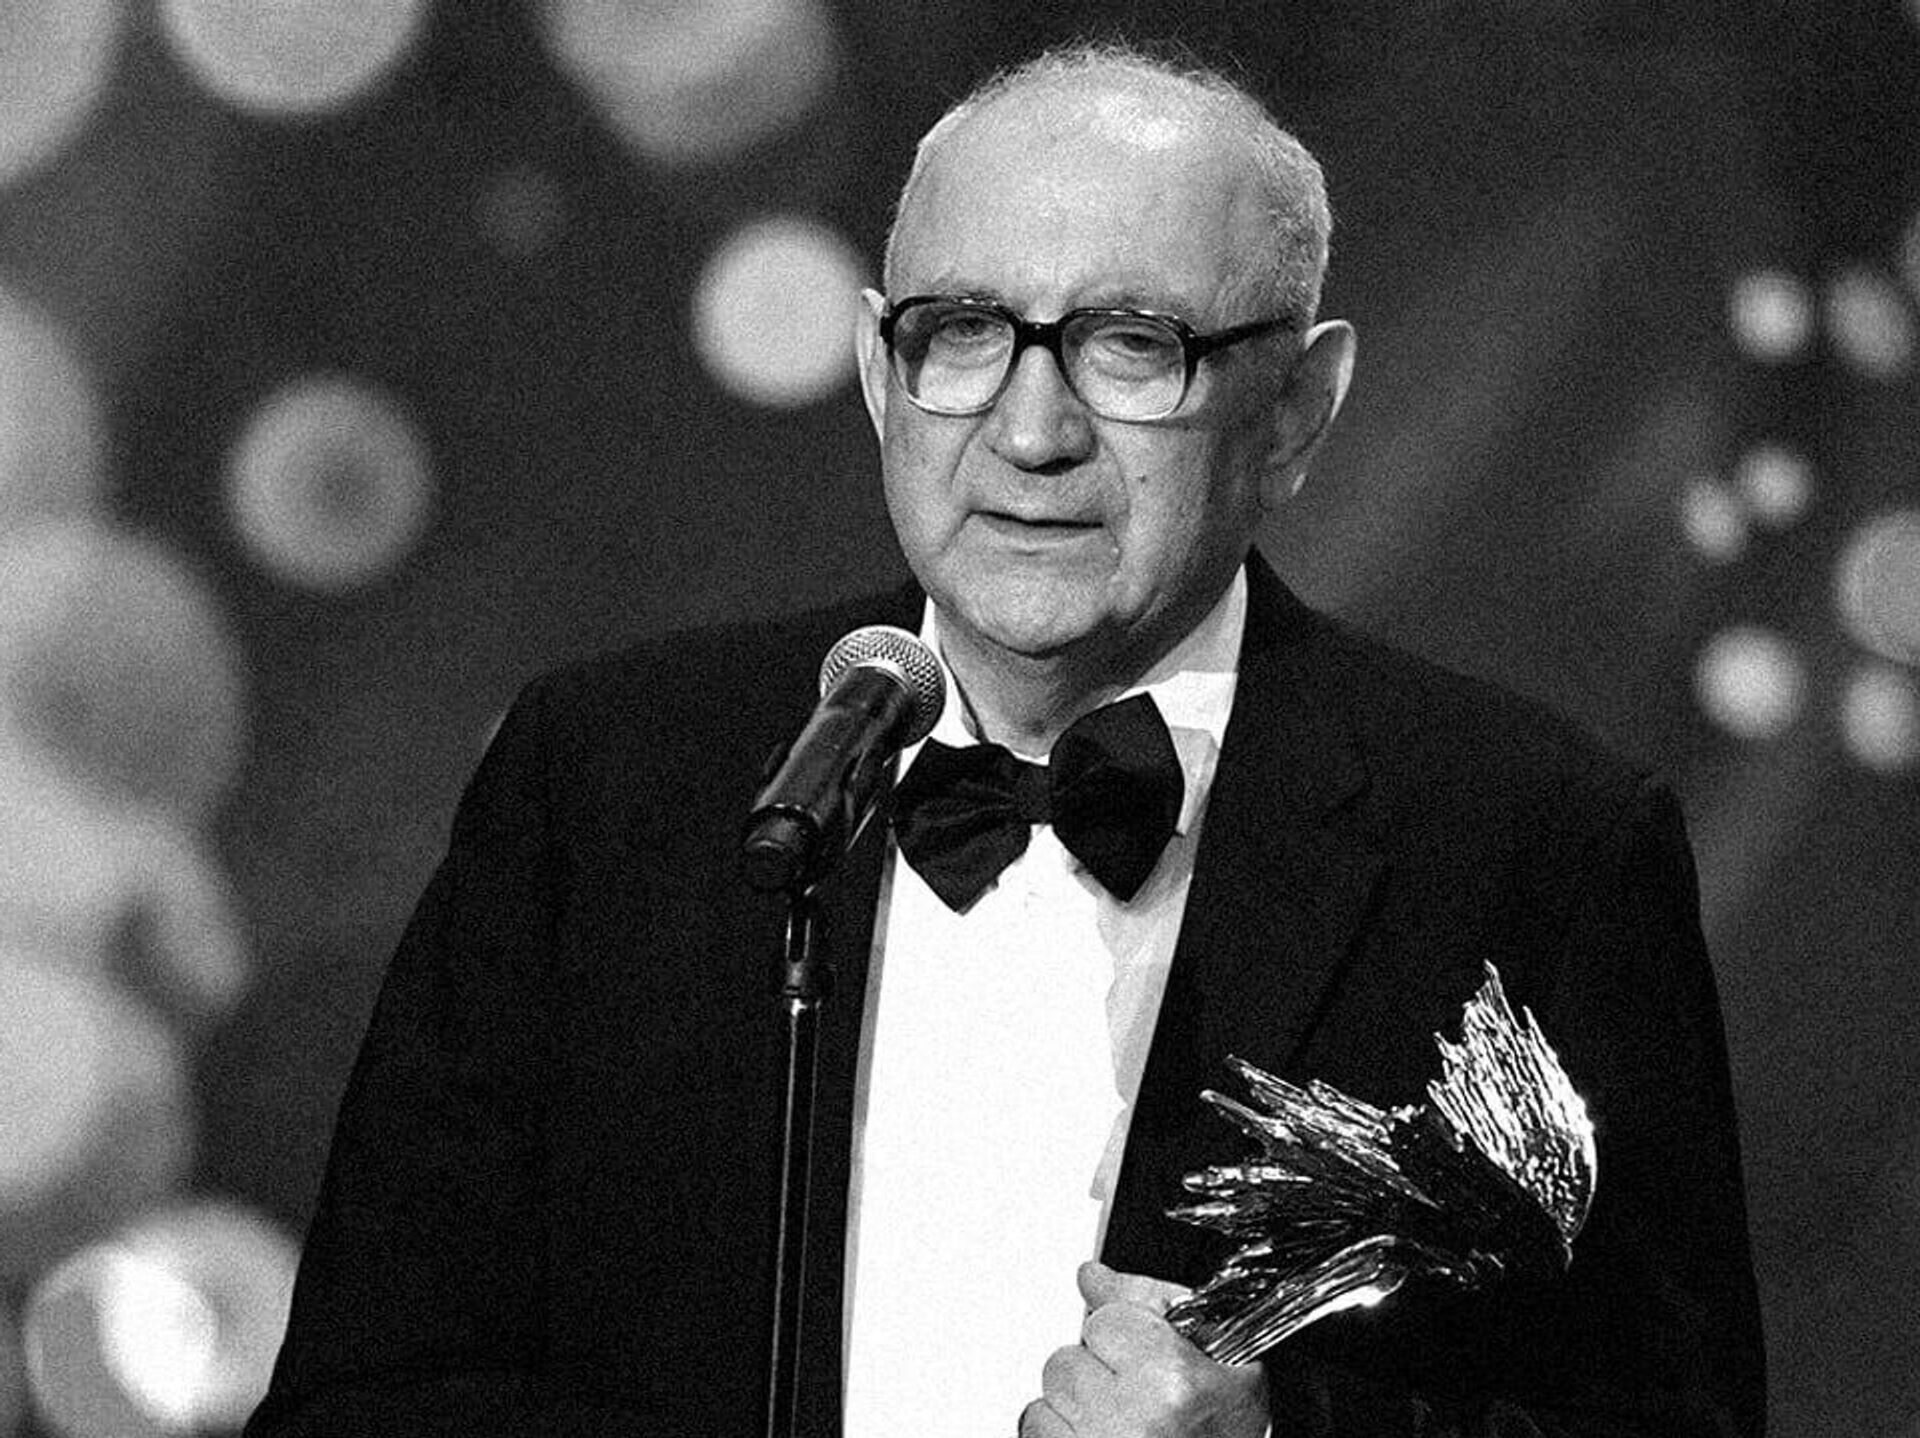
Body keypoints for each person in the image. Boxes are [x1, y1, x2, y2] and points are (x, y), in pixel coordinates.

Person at [246, 41, 1765, 1438]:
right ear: (875, 371)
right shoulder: (609, 780)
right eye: (964, 333)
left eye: (1133, 345)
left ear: (1298, 409)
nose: (1030, 434)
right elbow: (363, 1403)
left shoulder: (1532, 850)